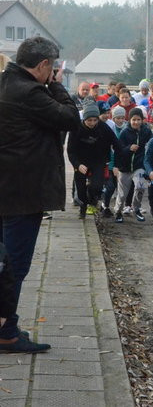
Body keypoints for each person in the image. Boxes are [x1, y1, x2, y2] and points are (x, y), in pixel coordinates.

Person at [0, 37, 80, 353]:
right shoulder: (30, 92)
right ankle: (7, 332)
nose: (53, 73)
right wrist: (58, 87)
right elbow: (71, 118)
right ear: (44, 65)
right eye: (53, 67)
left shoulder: (5, 84)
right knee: (15, 265)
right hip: (22, 192)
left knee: (4, 262)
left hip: (6, 187)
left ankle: (6, 326)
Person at [67, 102, 123, 218]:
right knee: (81, 191)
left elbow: (117, 145)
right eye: (89, 120)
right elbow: (70, 151)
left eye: (95, 120)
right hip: (81, 161)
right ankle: (83, 205)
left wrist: (117, 164)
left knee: (96, 187)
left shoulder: (103, 127)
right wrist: (77, 164)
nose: (92, 123)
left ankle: (92, 202)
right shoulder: (76, 129)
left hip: (98, 160)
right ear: (84, 119)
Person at [113, 108, 152, 223]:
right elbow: (118, 150)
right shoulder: (125, 132)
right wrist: (128, 149)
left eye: (138, 119)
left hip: (139, 166)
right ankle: (118, 212)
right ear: (129, 120)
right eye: (133, 120)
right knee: (122, 194)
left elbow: (152, 143)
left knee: (140, 186)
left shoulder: (146, 131)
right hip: (124, 168)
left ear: (142, 120)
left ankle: (136, 208)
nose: (136, 122)